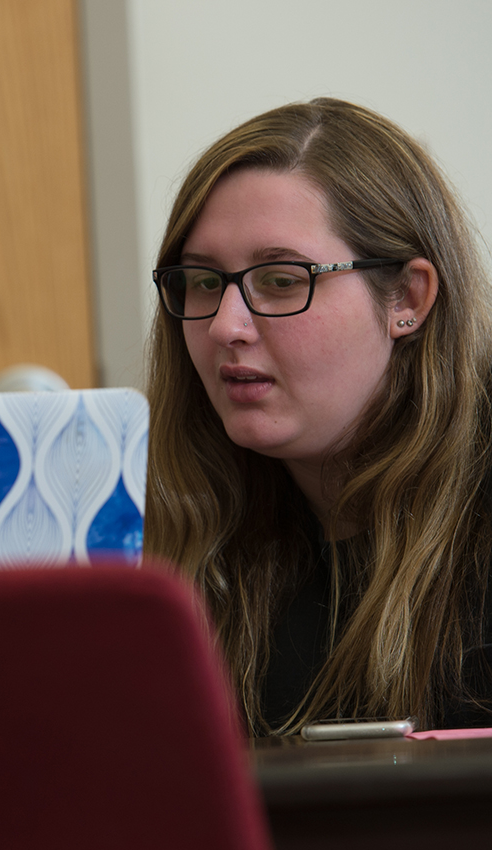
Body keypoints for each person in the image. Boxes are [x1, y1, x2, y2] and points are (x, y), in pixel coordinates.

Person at [144, 97, 492, 738]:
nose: (225, 326)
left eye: (281, 279)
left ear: (408, 299)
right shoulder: (171, 549)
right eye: (201, 281)